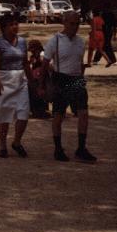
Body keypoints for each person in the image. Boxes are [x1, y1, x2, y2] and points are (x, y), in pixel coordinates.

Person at [42, 12, 97, 162]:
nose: (75, 27)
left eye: (77, 24)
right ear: (64, 23)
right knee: (59, 115)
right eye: (72, 24)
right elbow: (45, 64)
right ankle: (58, 149)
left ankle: (81, 148)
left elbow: (80, 62)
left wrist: (81, 78)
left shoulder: (80, 42)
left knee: (83, 113)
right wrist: (43, 86)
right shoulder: (55, 41)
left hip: (77, 79)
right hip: (61, 79)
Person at [0, 14, 31, 158]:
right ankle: (2, 146)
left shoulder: (22, 42)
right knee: (3, 114)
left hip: (20, 80)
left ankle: (17, 142)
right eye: (12, 24)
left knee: (23, 113)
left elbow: (25, 62)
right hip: (4, 79)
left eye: (16, 24)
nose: (16, 26)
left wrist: (31, 80)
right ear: (4, 27)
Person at [27, 40, 50, 119]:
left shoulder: (42, 54)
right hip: (34, 77)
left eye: (32, 49)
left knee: (39, 93)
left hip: (41, 77)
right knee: (32, 92)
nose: (31, 51)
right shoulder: (33, 56)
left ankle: (41, 111)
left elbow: (45, 66)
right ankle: (35, 110)